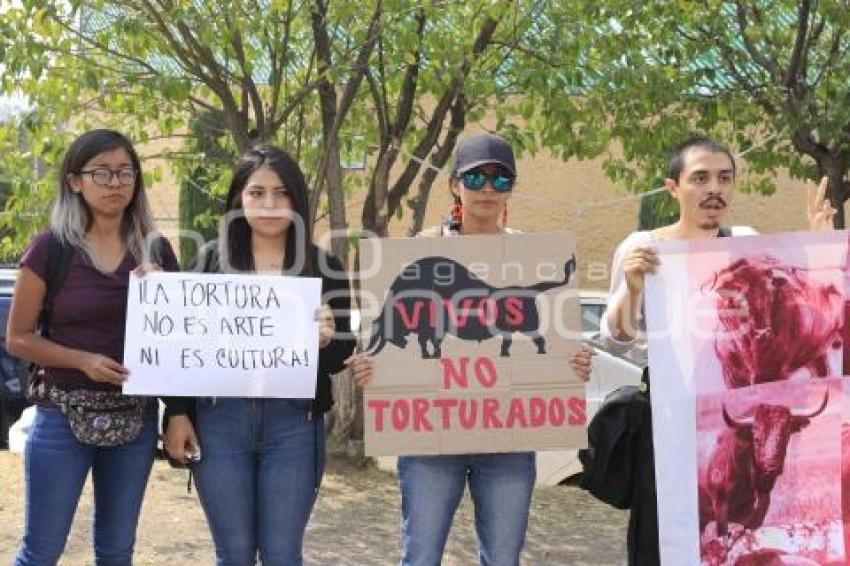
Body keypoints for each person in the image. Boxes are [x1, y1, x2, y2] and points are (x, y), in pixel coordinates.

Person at [351, 132, 594, 566]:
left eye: (501, 180)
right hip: (429, 440)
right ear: (454, 184)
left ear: (511, 189)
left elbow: (550, 342)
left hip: (508, 440)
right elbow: (391, 336)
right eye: (476, 177)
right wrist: (373, 367)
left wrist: (571, 362)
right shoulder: (418, 251)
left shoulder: (530, 254)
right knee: (421, 556)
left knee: (503, 559)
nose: (487, 188)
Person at [599, 135, 835, 565]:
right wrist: (631, 288)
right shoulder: (643, 248)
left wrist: (823, 248)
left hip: (739, 428)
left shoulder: (744, 241)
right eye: (700, 178)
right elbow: (617, 338)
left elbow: (794, 309)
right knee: (662, 542)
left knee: (736, 538)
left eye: (724, 178)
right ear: (673, 188)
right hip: (667, 427)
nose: (715, 189)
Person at [163, 145, 373, 566]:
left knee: (281, 553)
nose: (269, 204)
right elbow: (183, 349)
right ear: (239, 199)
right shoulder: (210, 261)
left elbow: (340, 358)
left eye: (281, 192)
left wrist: (331, 340)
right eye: (256, 192)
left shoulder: (324, 266)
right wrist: (177, 413)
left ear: (297, 199)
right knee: (234, 554)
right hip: (219, 421)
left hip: (294, 425)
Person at [7, 129, 180, 565]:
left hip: (134, 421)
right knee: (41, 551)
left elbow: (181, 340)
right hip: (62, 416)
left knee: (117, 552)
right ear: (74, 181)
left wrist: (162, 292)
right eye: (101, 173)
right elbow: (18, 337)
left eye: (125, 172)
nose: (115, 182)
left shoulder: (155, 251)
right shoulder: (50, 249)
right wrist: (82, 361)